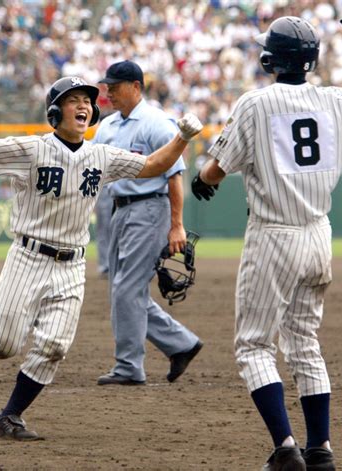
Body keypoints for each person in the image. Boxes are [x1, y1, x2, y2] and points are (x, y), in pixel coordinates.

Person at [0, 76, 202, 440]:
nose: (83, 106)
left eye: (87, 101)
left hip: (71, 264)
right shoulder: (33, 148)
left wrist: (182, 138)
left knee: (54, 346)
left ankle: (10, 415)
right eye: (73, 99)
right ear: (54, 111)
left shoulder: (101, 154)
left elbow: (154, 165)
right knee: (5, 344)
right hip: (27, 258)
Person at [191, 7, 342, 471]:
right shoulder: (336, 102)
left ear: (270, 59)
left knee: (253, 346)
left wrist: (206, 179)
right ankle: (319, 448)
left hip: (274, 236)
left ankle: (286, 449)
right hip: (319, 234)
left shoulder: (254, 104)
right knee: (304, 342)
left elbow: (215, 168)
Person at [94, 60, 203, 386]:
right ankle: (181, 344)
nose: (108, 92)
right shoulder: (107, 126)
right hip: (117, 210)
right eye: (107, 86)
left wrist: (176, 225)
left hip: (149, 209)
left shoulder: (158, 123)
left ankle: (129, 366)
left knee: (127, 289)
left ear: (136, 87)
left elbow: (175, 176)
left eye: (115, 86)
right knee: (123, 290)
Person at [93, 184, 113, 278]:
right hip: (104, 188)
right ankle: (105, 266)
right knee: (103, 230)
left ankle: (112, 265)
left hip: (118, 188)